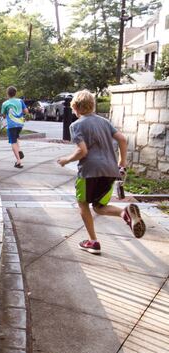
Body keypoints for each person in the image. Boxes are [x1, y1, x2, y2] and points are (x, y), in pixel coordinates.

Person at [57, 90, 145, 255]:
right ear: (93, 105)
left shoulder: (76, 125)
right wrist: (122, 163)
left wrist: (66, 160)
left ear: (75, 107)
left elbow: (82, 151)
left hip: (90, 171)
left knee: (83, 204)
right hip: (111, 171)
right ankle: (124, 213)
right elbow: (123, 139)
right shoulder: (105, 122)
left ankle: (93, 242)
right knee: (98, 206)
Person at [1, 86, 28, 168]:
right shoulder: (20, 101)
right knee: (16, 137)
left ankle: (18, 161)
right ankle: (19, 150)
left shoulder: (5, 104)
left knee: (13, 142)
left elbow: (3, 115)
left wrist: (7, 114)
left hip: (12, 125)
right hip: (20, 124)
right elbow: (26, 111)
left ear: (7, 94)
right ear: (15, 93)